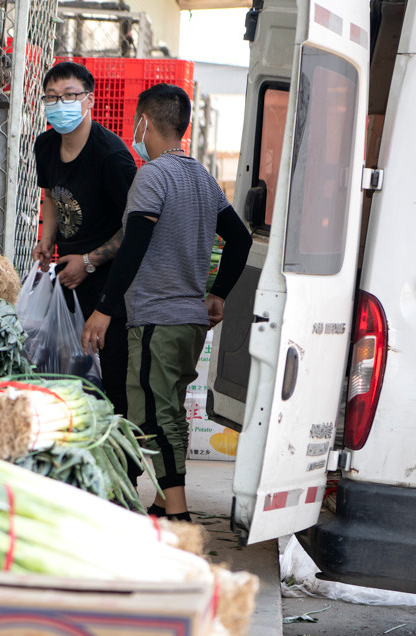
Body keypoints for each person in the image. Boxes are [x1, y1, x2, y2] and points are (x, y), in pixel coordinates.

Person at [81, 84, 252, 521]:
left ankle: (176, 514)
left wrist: (105, 307)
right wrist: (219, 293)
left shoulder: (152, 175)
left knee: (156, 416)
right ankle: (160, 501)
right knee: (170, 410)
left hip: (156, 320)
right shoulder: (201, 178)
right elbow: (240, 238)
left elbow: (134, 243)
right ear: (184, 126)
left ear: (144, 122)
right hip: (190, 322)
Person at [31, 62, 137, 417]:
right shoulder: (45, 145)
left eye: (70, 96)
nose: (60, 104)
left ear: (89, 99)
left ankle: (125, 469)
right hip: (67, 274)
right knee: (67, 376)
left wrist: (89, 261)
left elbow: (135, 228)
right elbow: (51, 196)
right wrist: (47, 238)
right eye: (52, 97)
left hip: (109, 285)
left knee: (113, 387)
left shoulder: (112, 157)